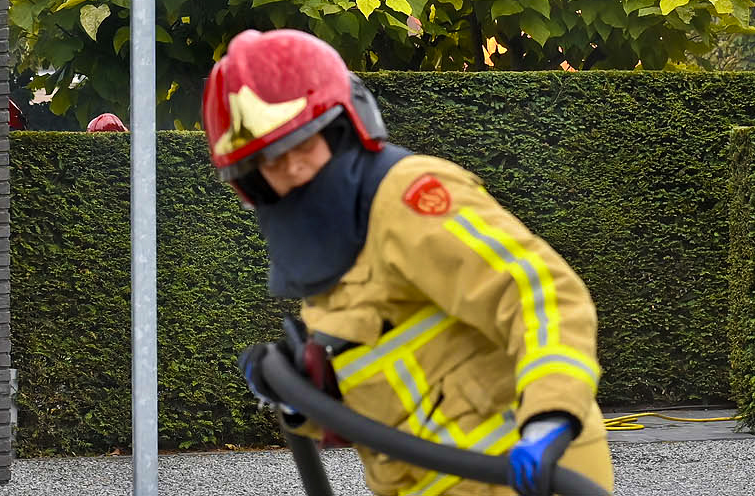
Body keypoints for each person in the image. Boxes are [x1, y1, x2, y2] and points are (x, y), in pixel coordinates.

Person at [205, 28, 613, 496]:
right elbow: (377, 404)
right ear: (250, 182)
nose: (292, 170)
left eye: (303, 145)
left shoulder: (409, 196)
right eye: (270, 162)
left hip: (524, 474)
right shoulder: (325, 263)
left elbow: (538, 291)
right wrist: (300, 399)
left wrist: (550, 415)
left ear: (344, 127)